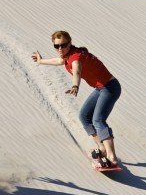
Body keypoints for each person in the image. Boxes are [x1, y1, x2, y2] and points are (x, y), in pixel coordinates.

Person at [32, 31, 122, 167]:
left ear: (70, 43)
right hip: (100, 88)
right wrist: (40, 61)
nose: (60, 49)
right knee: (84, 116)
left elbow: (77, 70)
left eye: (63, 45)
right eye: (57, 46)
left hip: (110, 88)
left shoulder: (75, 58)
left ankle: (111, 156)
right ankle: (102, 147)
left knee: (98, 119)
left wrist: (75, 85)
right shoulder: (69, 54)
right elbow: (59, 61)